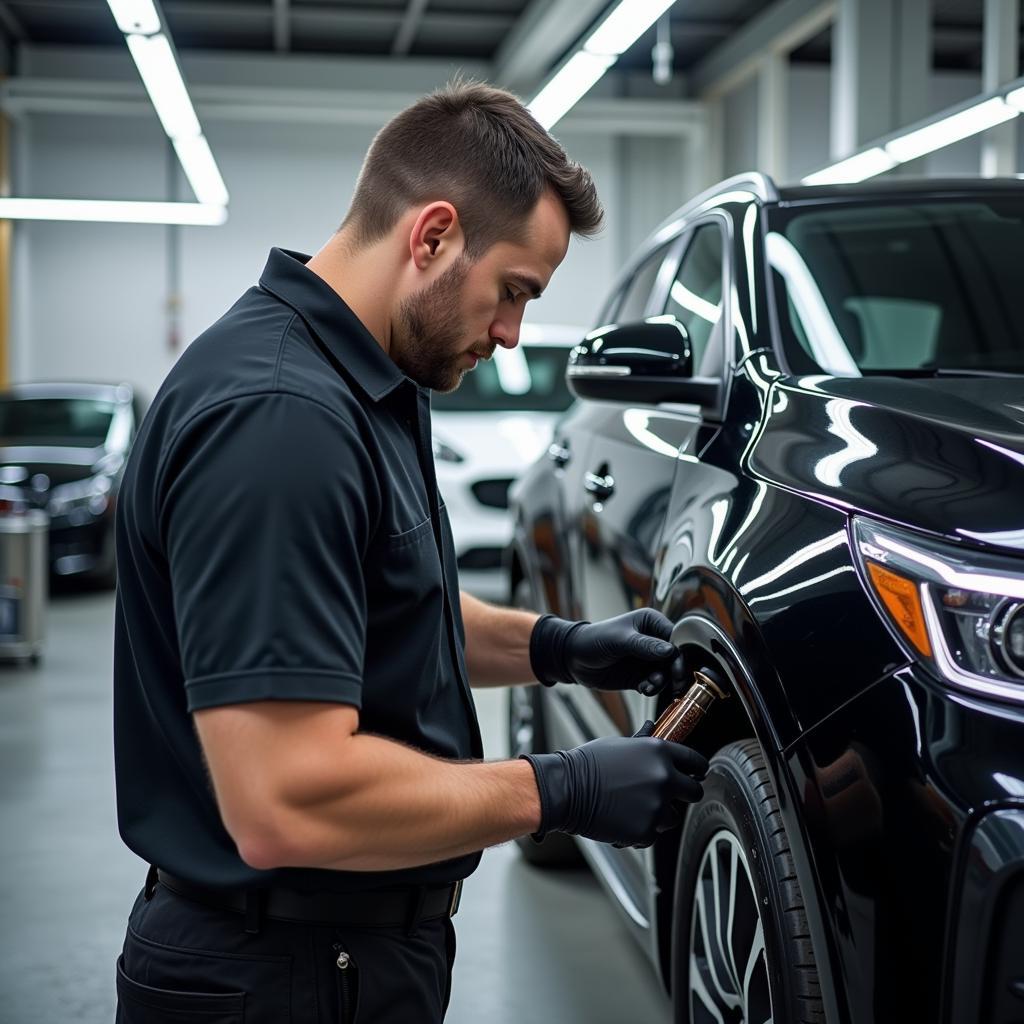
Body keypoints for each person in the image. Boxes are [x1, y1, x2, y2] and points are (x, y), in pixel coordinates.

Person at [112, 79, 707, 1024]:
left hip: (338, 954)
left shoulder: (371, 379)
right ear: (431, 236)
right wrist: (560, 789)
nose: (512, 336)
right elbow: (285, 801)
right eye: (512, 292)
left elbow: (382, 609)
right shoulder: (281, 421)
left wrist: (558, 647)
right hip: (279, 974)